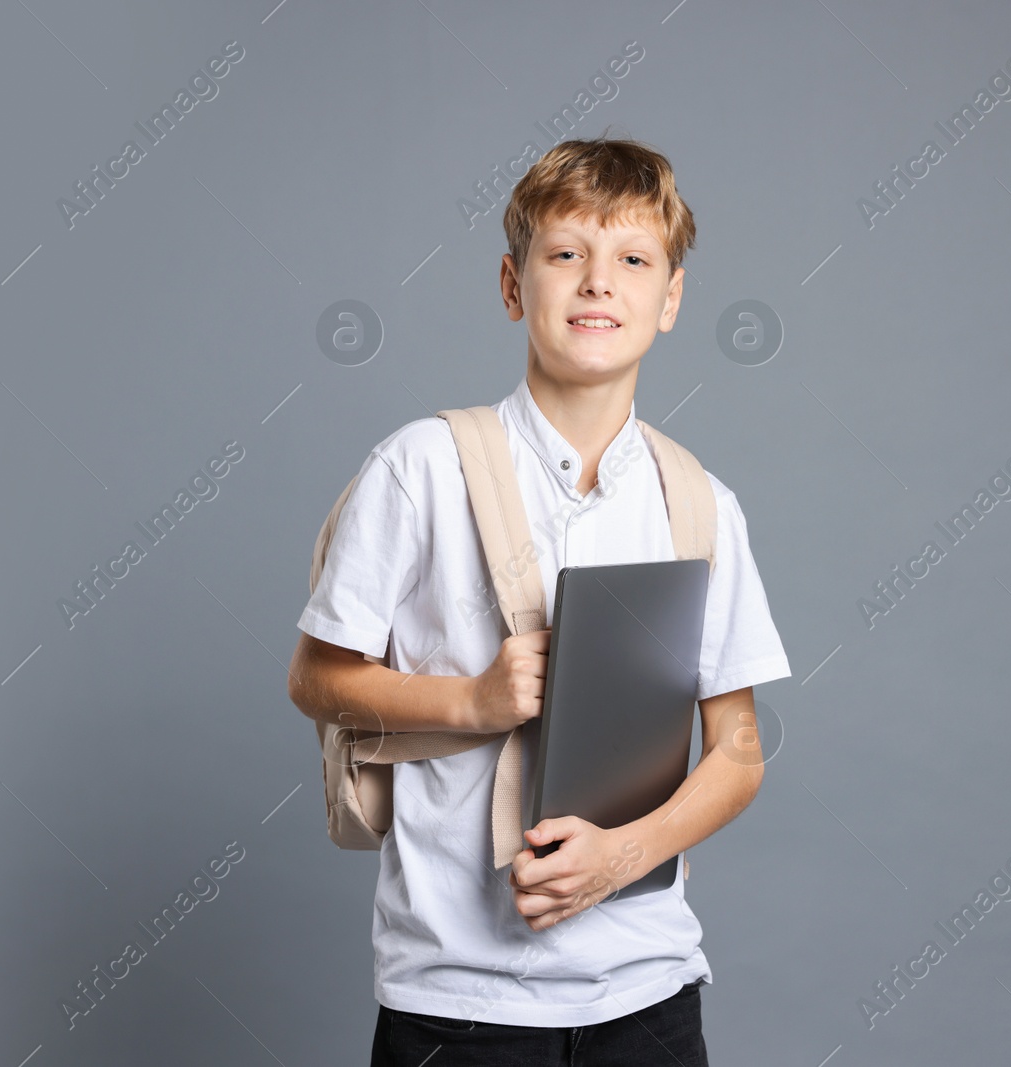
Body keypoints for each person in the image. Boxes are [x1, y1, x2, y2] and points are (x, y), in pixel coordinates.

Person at [289, 133, 791, 1066]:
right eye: (567, 255)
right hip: (455, 1006)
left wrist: (622, 859)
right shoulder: (422, 467)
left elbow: (739, 747)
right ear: (515, 286)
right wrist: (470, 700)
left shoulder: (701, 502)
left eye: (634, 260)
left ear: (670, 298)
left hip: (649, 995)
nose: (599, 282)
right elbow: (316, 676)